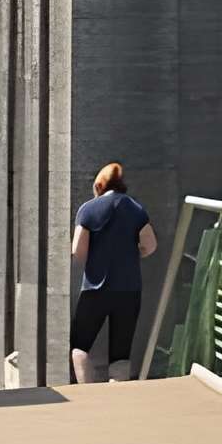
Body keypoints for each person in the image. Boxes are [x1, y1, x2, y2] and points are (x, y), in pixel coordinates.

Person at [69, 161, 155, 384]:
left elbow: (78, 250)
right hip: (129, 289)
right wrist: (131, 253)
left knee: (80, 345)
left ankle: (87, 391)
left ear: (99, 186)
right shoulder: (136, 209)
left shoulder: (88, 209)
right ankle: (118, 396)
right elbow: (150, 245)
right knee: (121, 350)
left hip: (94, 289)